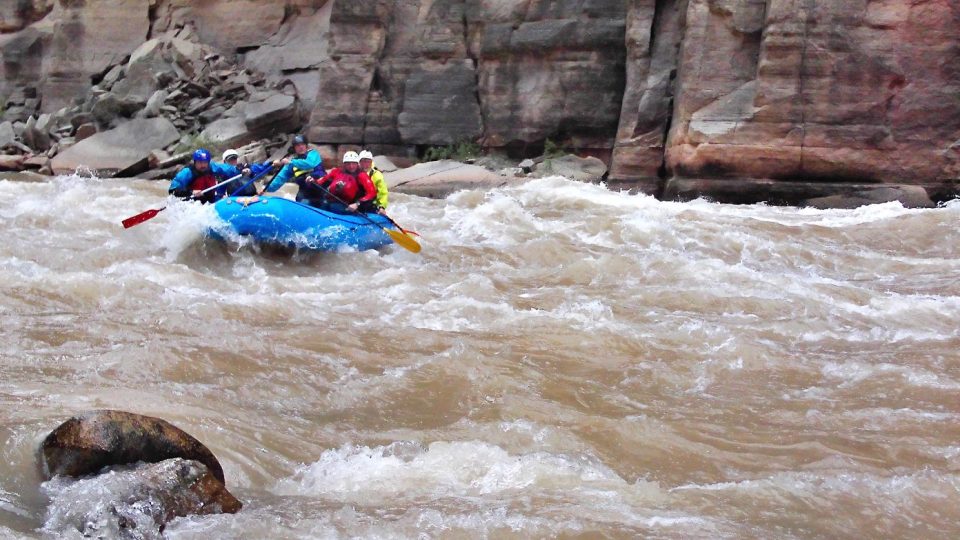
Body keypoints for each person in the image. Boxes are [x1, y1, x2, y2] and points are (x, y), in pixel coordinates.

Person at [303, 151, 376, 213]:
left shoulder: (362, 175)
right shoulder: (336, 172)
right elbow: (322, 182)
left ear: (357, 164)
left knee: (332, 207)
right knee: (305, 202)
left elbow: (372, 193)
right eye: (348, 163)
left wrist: (357, 204)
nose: (351, 166)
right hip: (330, 201)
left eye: (353, 163)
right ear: (344, 164)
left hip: (348, 206)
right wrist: (313, 181)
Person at [168, 149, 246, 204]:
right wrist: (191, 192)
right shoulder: (187, 172)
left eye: (205, 162)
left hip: (210, 200)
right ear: (195, 162)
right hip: (192, 203)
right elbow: (173, 190)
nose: (203, 165)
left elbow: (228, 169)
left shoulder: (212, 166)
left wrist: (241, 169)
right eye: (200, 162)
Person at [358, 150, 388, 214]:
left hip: (372, 204)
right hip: (357, 202)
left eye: (368, 162)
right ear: (359, 162)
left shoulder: (377, 175)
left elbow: (383, 193)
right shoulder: (355, 172)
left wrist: (382, 207)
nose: (365, 164)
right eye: (363, 161)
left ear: (371, 162)